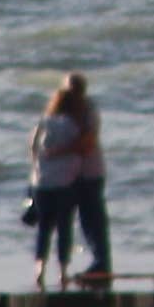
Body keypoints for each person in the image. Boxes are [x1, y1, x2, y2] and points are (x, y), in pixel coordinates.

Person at [24, 79, 90, 285]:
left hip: (41, 183)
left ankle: (39, 268)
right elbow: (79, 149)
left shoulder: (44, 121)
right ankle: (62, 270)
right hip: (65, 182)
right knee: (64, 227)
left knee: (44, 227)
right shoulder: (73, 124)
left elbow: (32, 148)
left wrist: (39, 167)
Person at [61, 72, 112, 285]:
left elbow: (88, 143)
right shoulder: (63, 110)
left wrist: (58, 151)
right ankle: (89, 261)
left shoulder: (89, 110)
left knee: (93, 218)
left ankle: (101, 262)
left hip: (90, 172)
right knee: (79, 219)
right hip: (71, 173)